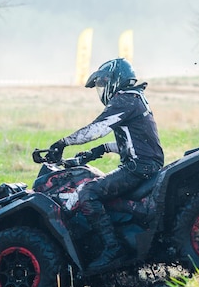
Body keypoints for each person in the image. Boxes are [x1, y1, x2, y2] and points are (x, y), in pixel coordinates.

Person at [47, 58, 164, 272]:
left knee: (88, 192)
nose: (101, 91)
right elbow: (134, 142)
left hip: (139, 167)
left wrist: (63, 142)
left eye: (102, 84)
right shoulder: (136, 99)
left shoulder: (125, 99)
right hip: (144, 163)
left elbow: (98, 128)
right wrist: (98, 151)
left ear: (114, 80)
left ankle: (113, 248)